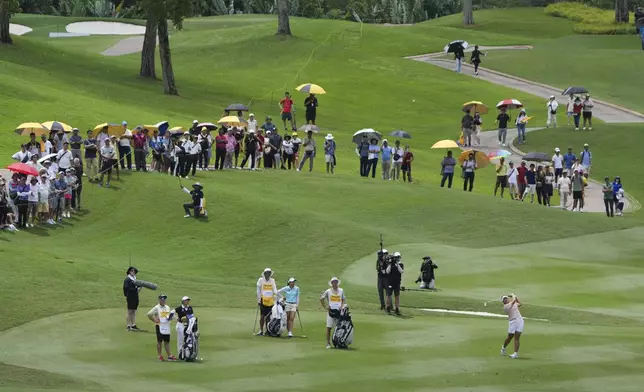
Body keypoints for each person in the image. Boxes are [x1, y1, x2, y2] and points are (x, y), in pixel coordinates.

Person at [147, 294, 178, 361]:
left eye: (164, 299)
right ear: (159, 300)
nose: (163, 300)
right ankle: (159, 355)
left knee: (167, 341)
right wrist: (155, 320)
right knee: (159, 341)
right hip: (159, 326)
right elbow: (149, 314)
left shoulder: (167, 307)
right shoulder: (157, 307)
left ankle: (169, 355)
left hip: (166, 326)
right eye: (162, 299)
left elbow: (170, 315)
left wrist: (176, 319)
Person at [319, 277, 345, 349]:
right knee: (329, 327)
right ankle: (328, 343)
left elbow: (343, 299)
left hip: (339, 311)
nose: (335, 283)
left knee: (338, 328)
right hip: (331, 311)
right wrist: (325, 307)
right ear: (332, 283)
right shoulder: (328, 291)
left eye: (336, 282)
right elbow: (321, 299)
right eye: (333, 282)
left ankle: (338, 342)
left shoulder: (341, 290)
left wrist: (342, 306)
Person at [256, 268, 277, 336]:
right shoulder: (261, 280)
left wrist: (277, 296)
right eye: (267, 273)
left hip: (270, 300)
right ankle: (261, 330)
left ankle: (267, 330)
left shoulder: (272, 280)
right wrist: (259, 300)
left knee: (269, 316)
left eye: (269, 273)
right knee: (262, 315)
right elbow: (258, 291)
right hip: (263, 300)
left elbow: (274, 289)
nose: (268, 274)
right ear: (264, 273)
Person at [501, 294, 523, 359]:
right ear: (503, 301)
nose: (505, 299)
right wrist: (513, 295)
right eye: (504, 299)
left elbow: (519, 303)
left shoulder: (513, 303)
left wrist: (516, 297)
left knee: (517, 337)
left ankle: (515, 353)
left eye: (506, 298)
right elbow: (513, 301)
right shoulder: (506, 307)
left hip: (520, 320)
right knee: (510, 337)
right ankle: (503, 348)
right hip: (512, 322)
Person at [124, 266, 141, 331]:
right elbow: (126, 289)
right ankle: (128, 325)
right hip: (130, 297)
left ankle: (133, 325)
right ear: (129, 271)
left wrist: (139, 288)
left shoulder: (135, 279)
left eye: (134, 271)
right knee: (129, 311)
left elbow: (138, 289)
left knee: (134, 311)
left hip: (135, 297)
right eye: (132, 271)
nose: (133, 272)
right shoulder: (127, 280)